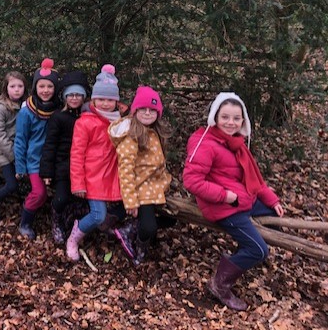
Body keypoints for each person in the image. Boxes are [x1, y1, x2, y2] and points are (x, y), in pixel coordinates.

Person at [183, 92, 284, 311]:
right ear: (215, 117)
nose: (231, 122)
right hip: (223, 206)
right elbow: (191, 181)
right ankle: (219, 285)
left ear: (243, 120)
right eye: (225, 117)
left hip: (241, 199)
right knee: (259, 249)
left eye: (236, 118)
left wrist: (272, 200)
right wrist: (225, 196)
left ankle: (244, 254)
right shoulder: (205, 143)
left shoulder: (235, 143)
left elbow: (253, 180)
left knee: (273, 213)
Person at [66, 64, 124, 261]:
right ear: (93, 99)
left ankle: (112, 235)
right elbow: (76, 154)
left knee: (123, 210)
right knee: (98, 215)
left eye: (110, 99)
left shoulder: (119, 121)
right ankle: (74, 237)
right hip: (93, 177)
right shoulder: (85, 122)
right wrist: (78, 183)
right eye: (101, 99)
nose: (105, 103)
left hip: (113, 176)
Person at [108, 86, 171, 265]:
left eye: (152, 110)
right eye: (143, 109)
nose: (147, 113)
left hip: (154, 185)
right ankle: (138, 246)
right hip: (140, 188)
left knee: (170, 219)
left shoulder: (154, 132)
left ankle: (132, 228)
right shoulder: (132, 135)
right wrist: (131, 201)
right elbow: (125, 169)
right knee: (149, 226)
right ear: (135, 110)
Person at [40, 70, 90, 244]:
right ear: (65, 97)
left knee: (81, 201)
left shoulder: (87, 118)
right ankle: (56, 220)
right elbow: (50, 145)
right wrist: (47, 172)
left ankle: (70, 222)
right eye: (70, 95)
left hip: (84, 168)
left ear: (84, 97)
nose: (74, 98)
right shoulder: (58, 118)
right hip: (62, 167)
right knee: (61, 198)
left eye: (78, 95)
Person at [14, 58, 60, 240]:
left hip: (55, 159)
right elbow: (20, 140)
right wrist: (20, 166)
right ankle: (25, 222)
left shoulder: (58, 110)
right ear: (35, 88)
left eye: (49, 86)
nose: (46, 91)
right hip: (34, 161)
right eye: (41, 86)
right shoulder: (27, 112)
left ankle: (60, 222)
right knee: (39, 193)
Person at [0, 71, 28, 224]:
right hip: (4, 151)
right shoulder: (0, 108)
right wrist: (14, 156)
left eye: (20, 86)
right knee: (11, 184)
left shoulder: (25, 106)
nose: (17, 89)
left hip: (20, 149)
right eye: (13, 86)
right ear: (6, 88)